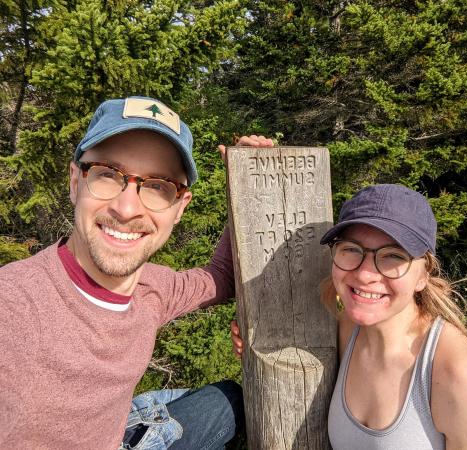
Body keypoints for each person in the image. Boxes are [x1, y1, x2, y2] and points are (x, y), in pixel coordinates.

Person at [0, 96, 272, 449]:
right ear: (74, 181)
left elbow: (220, 278)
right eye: (107, 175)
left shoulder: (151, 288)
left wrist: (246, 183)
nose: (127, 208)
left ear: (179, 208)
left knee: (231, 400)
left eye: (158, 186)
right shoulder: (14, 307)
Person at [231, 183, 467, 449]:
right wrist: (256, 336)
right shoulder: (346, 328)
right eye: (352, 250)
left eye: (393, 256)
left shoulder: (460, 379)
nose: (365, 274)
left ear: (423, 274)